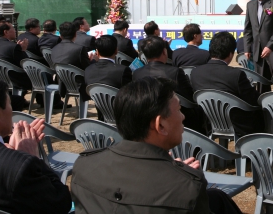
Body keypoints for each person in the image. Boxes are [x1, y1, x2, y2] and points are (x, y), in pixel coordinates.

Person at [71, 78, 242, 214]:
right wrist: (178, 177)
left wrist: (171, 172)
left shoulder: (84, 165)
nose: (183, 117)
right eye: (179, 110)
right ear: (161, 125)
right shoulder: (188, 186)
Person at [0, 75, 72, 213]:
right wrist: (31, 158)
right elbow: (60, 203)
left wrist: (10, 154)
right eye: (9, 104)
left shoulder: (13, 163)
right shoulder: (19, 166)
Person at [191, 31, 264, 137]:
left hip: (209, 122)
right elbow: (254, 99)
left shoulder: (195, 72)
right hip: (238, 125)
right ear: (231, 53)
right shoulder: (236, 74)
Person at [132, 36, 203, 133]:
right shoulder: (175, 72)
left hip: (147, 116)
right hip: (174, 117)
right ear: (165, 52)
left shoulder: (137, 73)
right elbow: (189, 97)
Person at [52, 22, 94, 101]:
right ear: (75, 34)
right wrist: (92, 60)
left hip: (64, 85)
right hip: (81, 85)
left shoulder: (54, 49)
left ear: (60, 35)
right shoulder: (80, 49)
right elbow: (88, 68)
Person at [0, 23, 32, 92]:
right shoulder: (13, 46)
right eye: (13, 29)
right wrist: (23, 50)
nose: (15, 31)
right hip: (15, 80)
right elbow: (26, 63)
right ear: (6, 32)